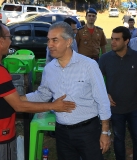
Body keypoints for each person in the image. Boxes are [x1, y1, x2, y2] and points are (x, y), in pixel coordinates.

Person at [0, 22, 76, 160]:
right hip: (1, 137)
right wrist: (53, 106)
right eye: (9, 37)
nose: (11, 41)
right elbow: (18, 105)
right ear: (1, 41)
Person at [22, 22, 111, 160]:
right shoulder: (49, 69)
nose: (49, 45)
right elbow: (43, 95)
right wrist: (18, 99)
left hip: (88, 131)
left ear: (69, 41)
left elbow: (102, 100)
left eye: (55, 40)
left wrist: (105, 132)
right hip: (62, 132)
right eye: (48, 40)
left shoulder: (89, 66)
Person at [99, 26, 137, 160]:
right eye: (112, 38)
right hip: (115, 109)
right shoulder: (105, 59)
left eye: (117, 39)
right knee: (119, 138)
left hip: (135, 107)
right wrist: (105, 94)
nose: (112, 42)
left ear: (126, 41)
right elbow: (96, 81)